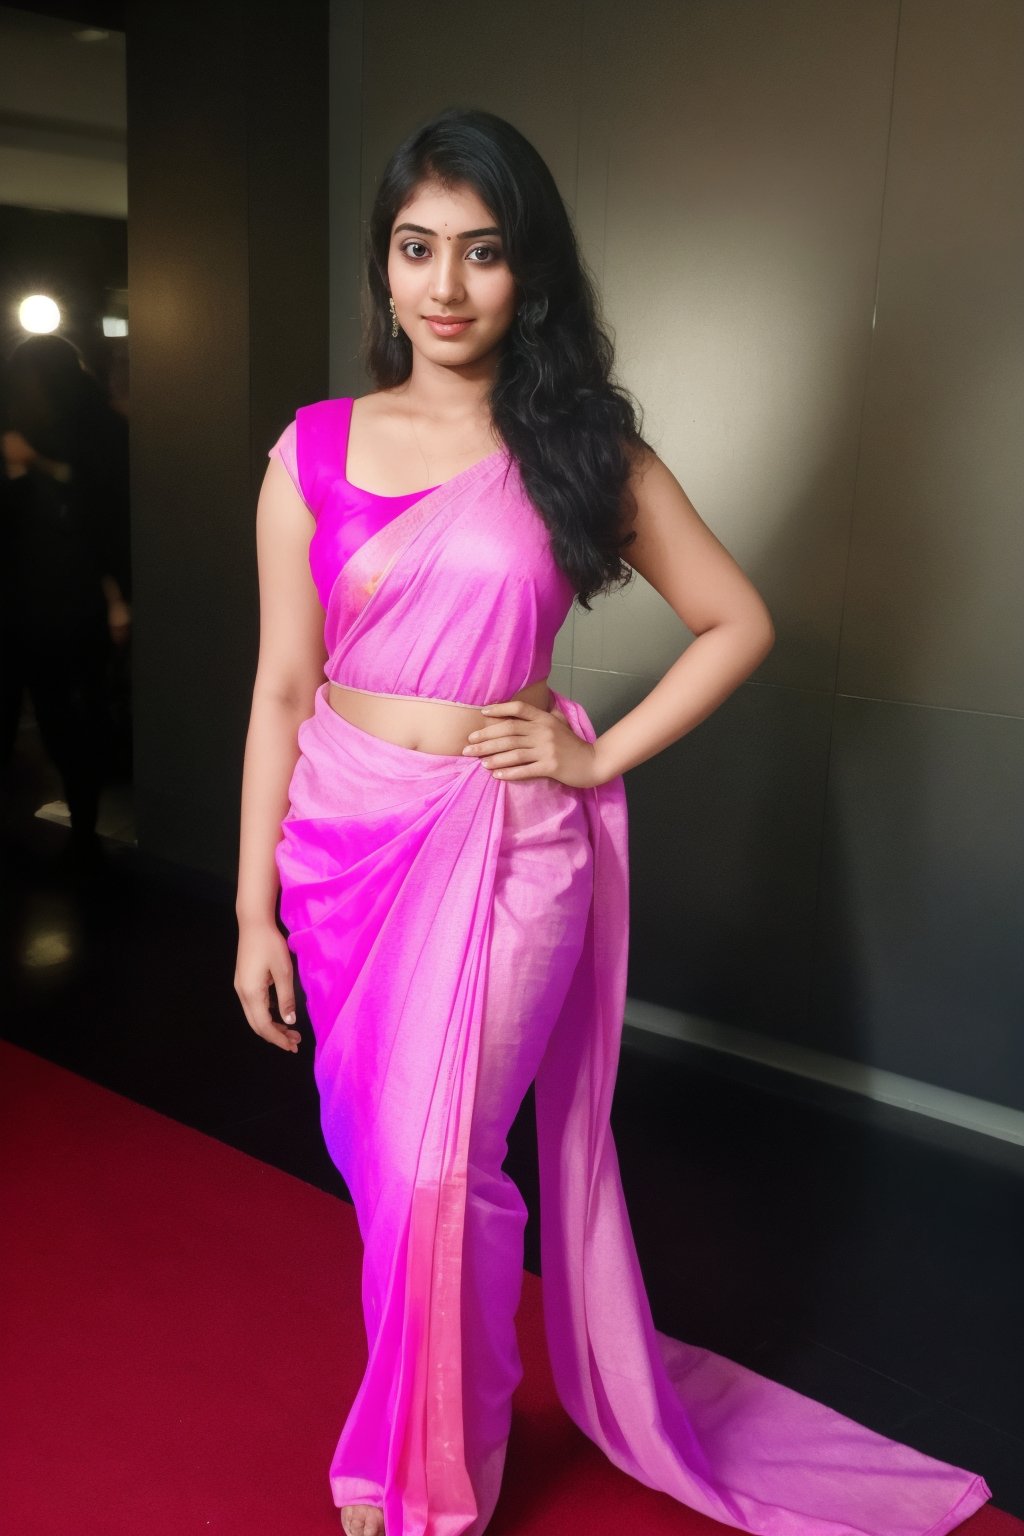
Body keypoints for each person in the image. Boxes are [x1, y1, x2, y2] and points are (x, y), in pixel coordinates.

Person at [233, 109, 991, 1536]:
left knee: (447, 1167)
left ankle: (429, 1483)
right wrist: (246, 910)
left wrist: (599, 761)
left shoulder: (577, 449)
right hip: (339, 840)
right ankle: (428, 1421)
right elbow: (280, 686)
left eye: (483, 252)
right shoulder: (314, 450)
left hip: (509, 850)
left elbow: (736, 619)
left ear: (531, 274)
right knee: (391, 1178)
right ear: (382, 268)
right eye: (416, 249)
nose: (445, 286)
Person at [0, 334, 131, 865]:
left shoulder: (86, 429)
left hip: (65, 597)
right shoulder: (88, 422)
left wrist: (32, 464)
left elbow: (100, 503)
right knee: (65, 712)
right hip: (46, 595)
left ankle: (83, 825)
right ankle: (83, 825)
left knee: (69, 713)